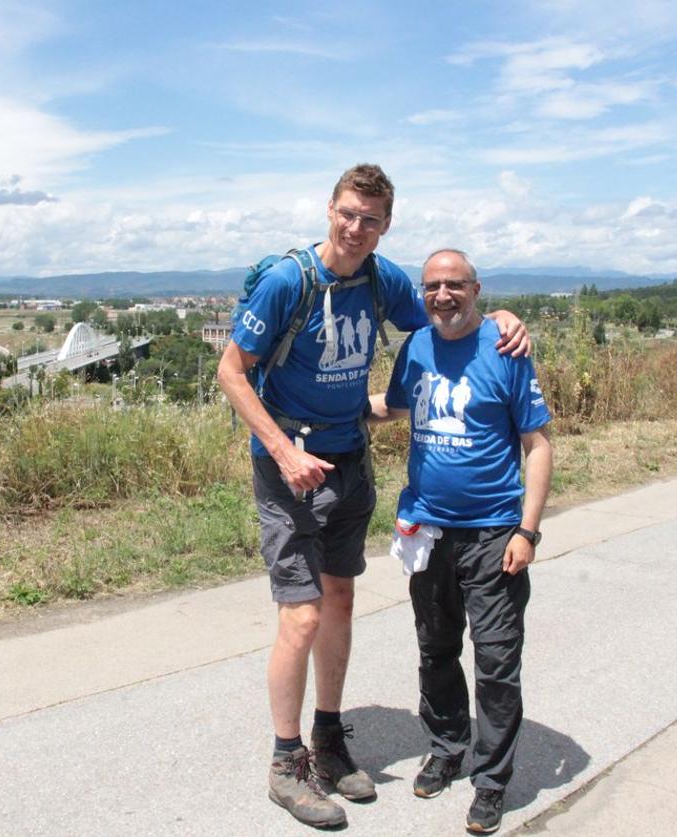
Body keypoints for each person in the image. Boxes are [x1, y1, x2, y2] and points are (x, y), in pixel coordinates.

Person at [217, 165, 531, 829]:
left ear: (386, 225)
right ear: (329, 209)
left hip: (348, 462)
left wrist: (501, 314)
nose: (356, 229)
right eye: (348, 214)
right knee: (300, 617)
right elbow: (231, 370)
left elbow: (452, 319)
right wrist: (282, 450)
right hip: (289, 467)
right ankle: (285, 761)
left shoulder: (380, 277)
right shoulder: (288, 281)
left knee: (340, 600)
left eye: (371, 219)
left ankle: (328, 739)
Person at [370, 248, 553, 834]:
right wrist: (322, 407)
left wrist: (528, 530)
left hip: (495, 533)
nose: (442, 295)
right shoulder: (417, 346)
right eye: (432, 287)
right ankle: (448, 747)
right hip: (429, 530)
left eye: (454, 285)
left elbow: (539, 444)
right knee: (436, 649)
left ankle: (491, 782)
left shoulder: (504, 348)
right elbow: (394, 408)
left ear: (476, 289)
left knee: (497, 662)